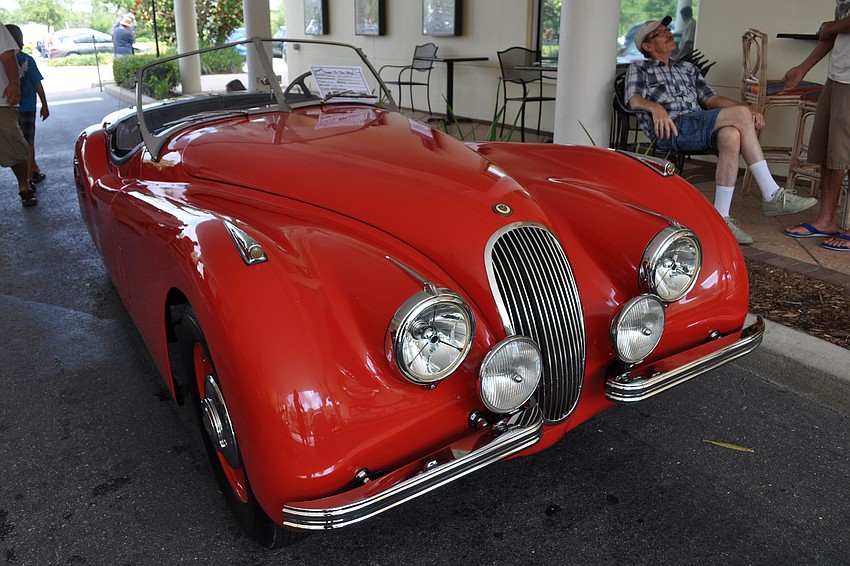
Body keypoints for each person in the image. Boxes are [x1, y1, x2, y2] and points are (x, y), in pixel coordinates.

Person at [624, 16, 817, 245]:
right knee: (741, 115)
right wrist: (655, 107)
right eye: (661, 33)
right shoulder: (640, 68)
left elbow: (711, 99)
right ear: (647, 46)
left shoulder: (687, 68)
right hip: (673, 128)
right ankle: (772, 194)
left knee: (731, 135)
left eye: (667, 30)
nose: (668, 34)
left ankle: (721, 217)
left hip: (697, 124)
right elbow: (633, 100)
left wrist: (745, 110)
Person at [781, 2, 850, 252]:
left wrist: (831, 25)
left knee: (846, 153)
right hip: (837, 76)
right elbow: (831, 35)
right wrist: (803, 67)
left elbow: (831, 28)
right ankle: (826, 220)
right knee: (829, 152)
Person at [7, 24, 49, 188]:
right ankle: (30, 175)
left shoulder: (4, 61)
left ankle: (32, 172)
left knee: (19, 143)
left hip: (9, 108)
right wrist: (44, 105)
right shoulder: (27, 59)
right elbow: (37, 84)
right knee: (28, 143)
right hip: (27, 108)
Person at [0, 21, 35, 207]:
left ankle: (24, 183)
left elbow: (7, 56)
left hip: (1, 101)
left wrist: (14, 83)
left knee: (13, 146)